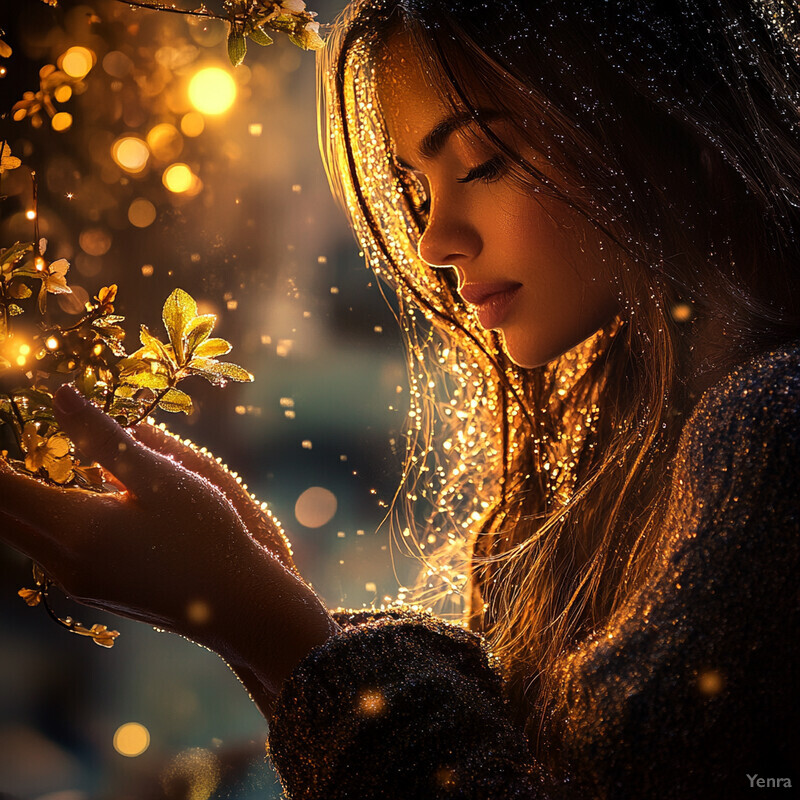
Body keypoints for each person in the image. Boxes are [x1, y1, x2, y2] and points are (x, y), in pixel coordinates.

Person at [1, 0, 799, 797]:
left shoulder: (772, 428)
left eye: (483, 161)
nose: (433, 240)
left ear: (664, 114)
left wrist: (255, 618)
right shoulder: (629, 439)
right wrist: (263, 596)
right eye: (416, 187)